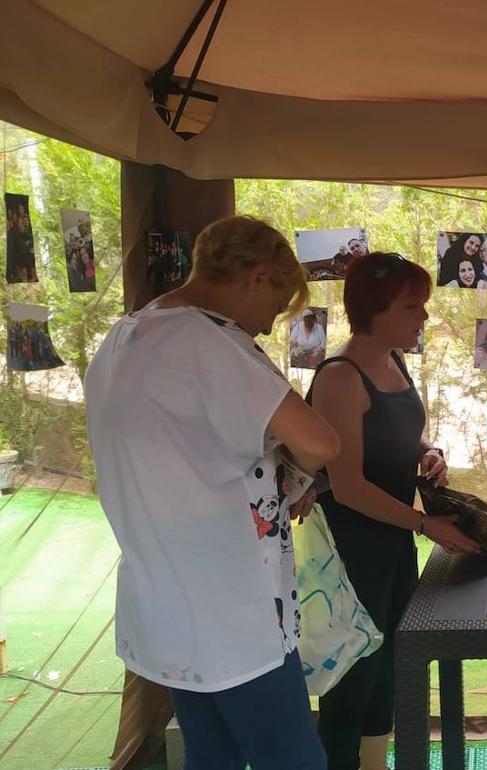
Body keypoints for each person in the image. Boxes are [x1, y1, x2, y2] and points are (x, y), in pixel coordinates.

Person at [85, 215, 341, 770]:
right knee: (293, 758)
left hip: (163, 600)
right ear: (256, 278)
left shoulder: (124, 336)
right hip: (233, 607)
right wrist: (297, 479)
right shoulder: (211, 341)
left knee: (211, 754)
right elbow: (320, 443)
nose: (270, 329)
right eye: (275, 307)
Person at [307, 252, 480, 770]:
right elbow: (349, 485)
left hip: (392, 539)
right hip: (353, 545)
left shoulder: (393, 360)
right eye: (412, 306)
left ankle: (375, 763)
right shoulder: (340, 376)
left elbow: (394, 435)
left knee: (386, 665)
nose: (422, 317)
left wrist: (426, 451)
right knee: (351, 676)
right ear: (376, 309)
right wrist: (427, 524)